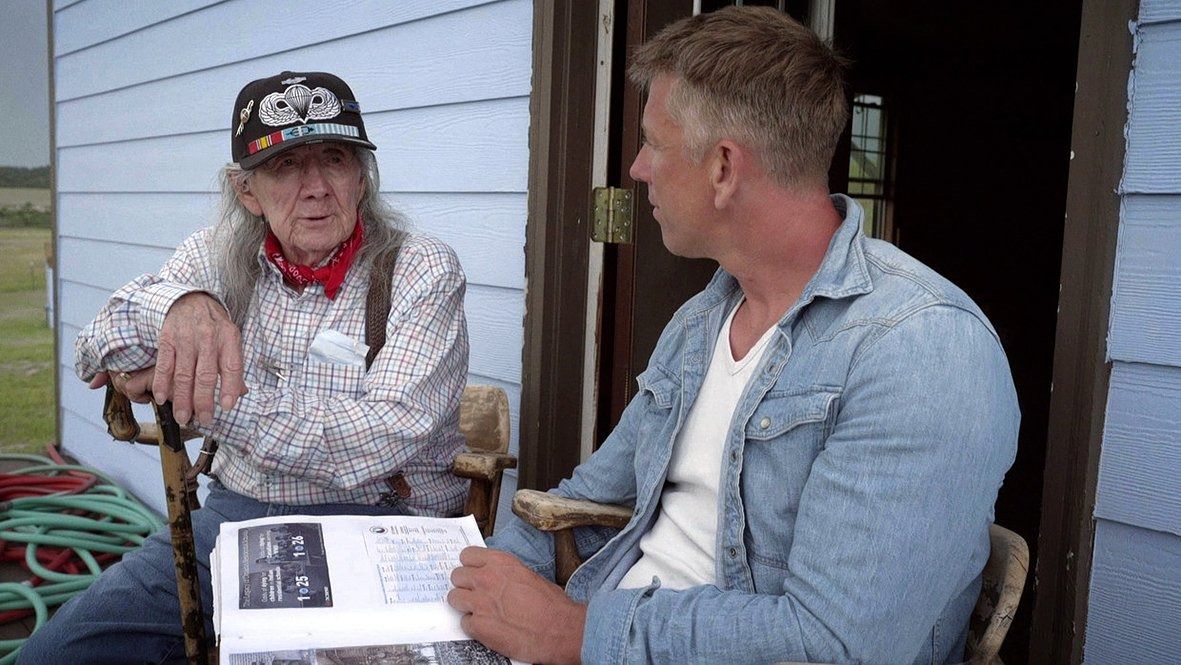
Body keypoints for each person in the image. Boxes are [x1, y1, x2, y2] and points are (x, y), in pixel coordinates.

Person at [447, 7, 1019, 664]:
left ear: (722, 167)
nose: (637, 168)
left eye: (652, 143)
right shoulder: (704, 319)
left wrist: (574, 633)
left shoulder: (919, 350)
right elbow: (583, 496)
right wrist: (475, 589)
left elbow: (835, 646)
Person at [19, 71, 469, 664]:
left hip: (380, 527)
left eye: (333, 158)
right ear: (247, 192)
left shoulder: (421, 268)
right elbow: (98, 350)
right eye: (285, 166)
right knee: (58, 654)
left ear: (361, 176)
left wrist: (208, 398)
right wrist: (181, 306)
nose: (315, 188)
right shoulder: (212, 257)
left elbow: (375, 442)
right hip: (234, 522)